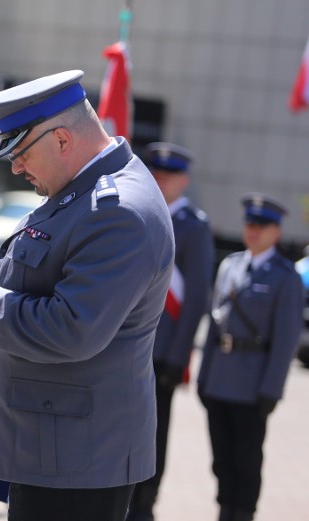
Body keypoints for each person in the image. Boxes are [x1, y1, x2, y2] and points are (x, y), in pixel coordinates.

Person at [0, 70, 174, 521]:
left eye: (21, 152)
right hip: (59, 446)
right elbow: (53, 271)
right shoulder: (85, 189)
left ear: (63, 140)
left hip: (79, 459)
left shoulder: (118, 211)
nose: (15, 167)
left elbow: (73, 328)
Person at [197, 193, 303, 521]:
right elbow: (214, 326)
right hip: (219, 380)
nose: (253, 230)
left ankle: (241, 514)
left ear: (276, 231)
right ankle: (224, 510)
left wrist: (271, 390)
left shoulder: (285, 277)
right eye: (249, 224)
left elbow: (286, 342)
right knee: (221, 460)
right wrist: (203, 376)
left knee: (246, 461)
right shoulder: (230, 266)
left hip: (251, 384)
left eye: (262, 225)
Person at [126, 142, 216, 521]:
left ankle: (145, 503)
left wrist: (178, 358)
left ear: (184, 181)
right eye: (156, 174)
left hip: (162, 352)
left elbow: (194, 298)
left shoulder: (194, 228)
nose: (161, 182)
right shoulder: (134, 212)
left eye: (169, 176)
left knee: (153, 433)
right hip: (125, 344)